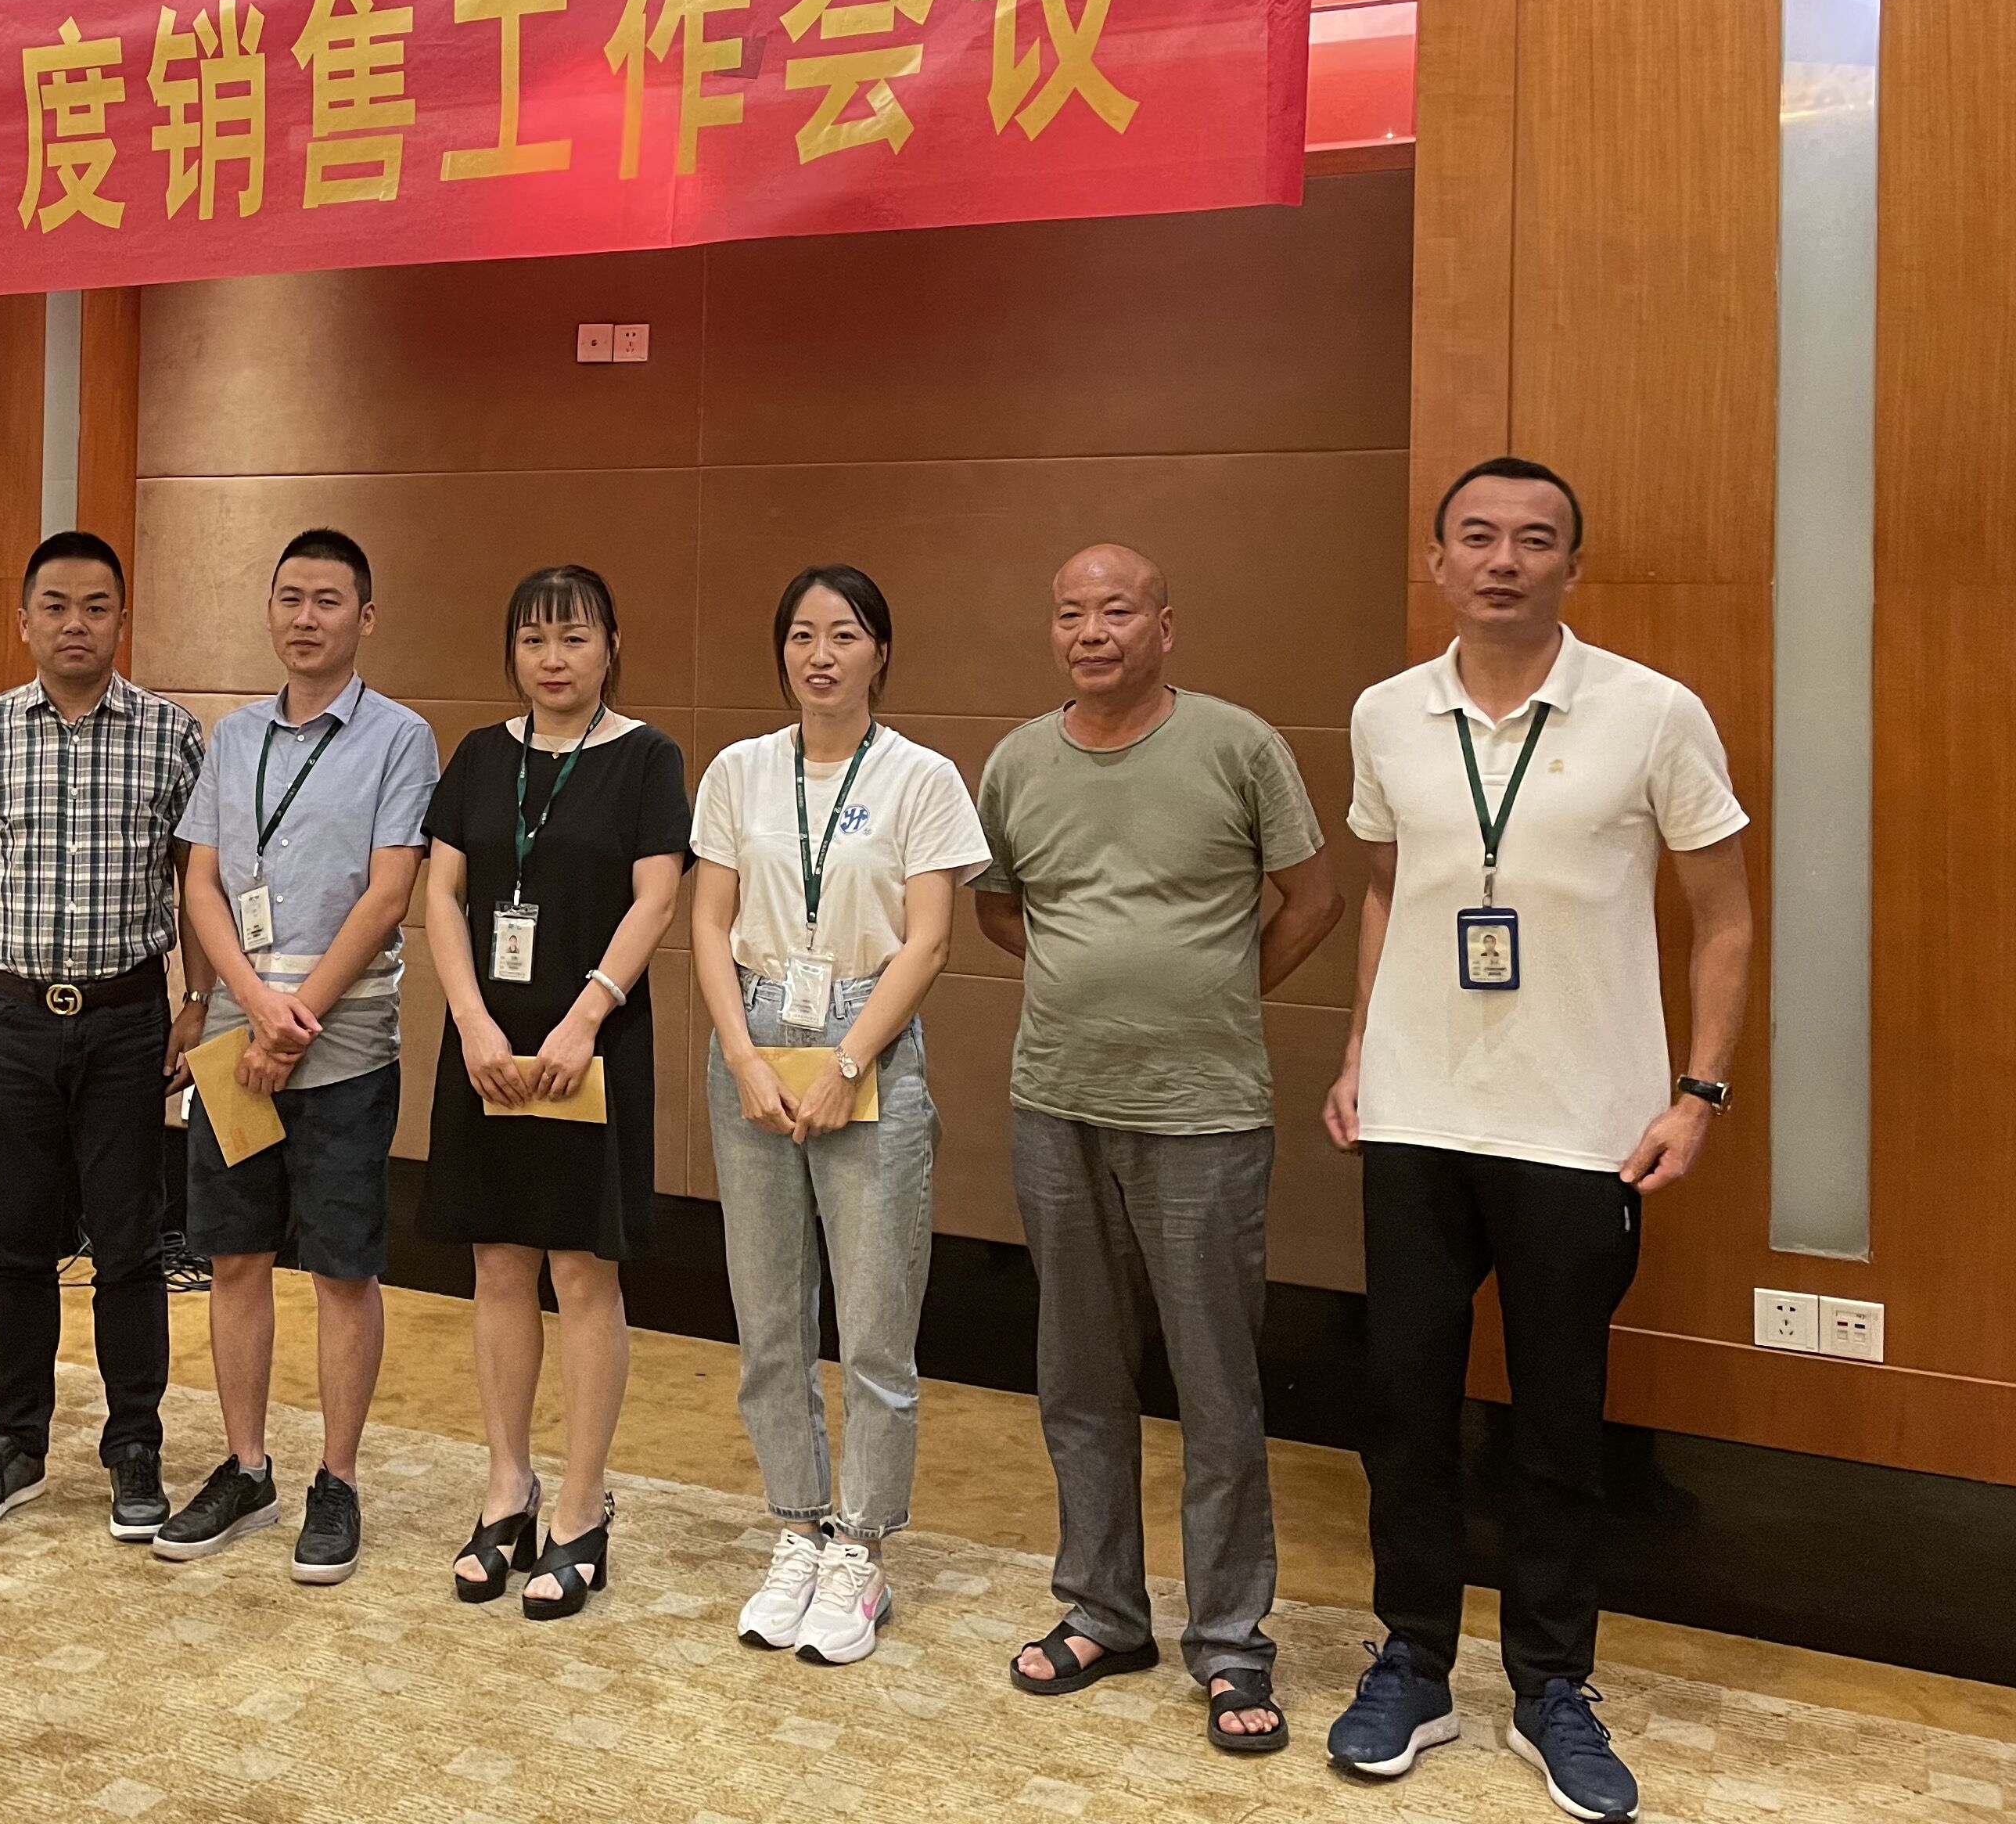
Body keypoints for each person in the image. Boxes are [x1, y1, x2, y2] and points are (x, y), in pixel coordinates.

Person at [1323, 459, 1752, 1824]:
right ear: (1439, 560)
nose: (1503, 559)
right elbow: (1387, 890)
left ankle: (1554, 1684)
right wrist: (1360, 1052)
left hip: (1584, 1129)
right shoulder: (1388, 714)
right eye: (1477, 536)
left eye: (1534, 539)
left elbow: (1725, 918)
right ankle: (1414, 1661)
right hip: (1417, 1113)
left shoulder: (1652, 712)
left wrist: (1699, 1093)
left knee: (1558, 1424)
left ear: (1573, 563)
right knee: (1405, 1409)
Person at [977, 543, 1343, 1753]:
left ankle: (1231, 1643)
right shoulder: (1018, 761)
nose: (1092, 631)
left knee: (1216, 1384)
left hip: (1205, 1115)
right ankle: (1103, 1611)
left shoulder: (1238, 746)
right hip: (1056, 1104)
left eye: (1117, 610)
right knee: (1079, 1372)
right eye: (1069, 612)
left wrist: (1216, 994)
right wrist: (1094, 977)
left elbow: (1314, 899)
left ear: (1165, 627)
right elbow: (997, 904)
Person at [691, 564, 989, 1668]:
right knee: (769, 1315)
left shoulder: (921, 776)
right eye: (803, 635)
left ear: (880, 652)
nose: (822, 656)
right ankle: (797, 1527)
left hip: (871, 1038)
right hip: (756, 1036)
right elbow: (709, 923)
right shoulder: (739, 770)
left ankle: (861, 1546)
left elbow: (931, 939)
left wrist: (849, 1060)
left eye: (846, 635)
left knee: (872, 1323)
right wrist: (742, 1054)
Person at [156, 527, 439, 1586]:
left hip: (345, 1037)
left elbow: (390, 892)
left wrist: (295, 1016)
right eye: (290, 597)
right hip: (239, 1034)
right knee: (234, 1255)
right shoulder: (233, 738)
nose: (306, 617)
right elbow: (200, 882)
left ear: (365, 617)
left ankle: (338, 1476)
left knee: (341, 1267)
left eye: (328, 600)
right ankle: (246, 1465)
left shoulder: (400, 738)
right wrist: (249, 1003)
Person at [0, 531, 207, 1542]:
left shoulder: (171, 735)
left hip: (129, 1020)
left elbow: (198, 880)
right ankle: (14, 1444)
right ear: (24, 620)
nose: (75, 624)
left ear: (123, 619)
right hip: (10, 1018)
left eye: (95, 607)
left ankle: (135, 1448)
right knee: (14, 1241)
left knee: (130, 1244)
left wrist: (198, 1002)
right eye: (56, 606)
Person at [420, 566, 691, 1618]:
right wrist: (472, 1023)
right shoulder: (480, 756)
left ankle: (581, 1507)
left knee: (582, 1271)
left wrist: (584, 1018)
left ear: (612, 644)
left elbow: (655, 900)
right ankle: (507, 1489)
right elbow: (442, 895)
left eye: (574, 638)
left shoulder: (647, 757)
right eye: (534, 640)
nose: (553, 659)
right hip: (488, 1046)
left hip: (593, 1043)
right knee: (498, 1264)